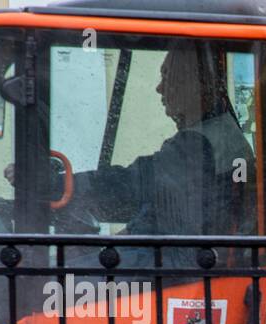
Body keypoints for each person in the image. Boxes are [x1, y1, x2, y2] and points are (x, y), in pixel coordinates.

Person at [71, 43, 255, 241]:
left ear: (191, 84)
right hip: (196, 250)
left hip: (188, 257)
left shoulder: (196, 144)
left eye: (166, 77)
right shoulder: (222, 132)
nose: (159, 88)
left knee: (76, 266)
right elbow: (161, 205)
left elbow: (137, 185)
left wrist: (71, 187)